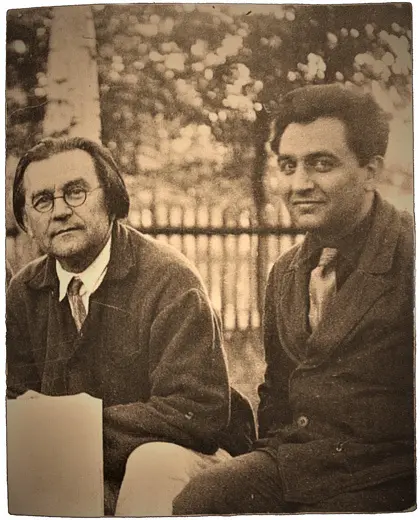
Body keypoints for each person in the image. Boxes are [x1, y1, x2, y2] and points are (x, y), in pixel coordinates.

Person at [173, 84, 415, 514]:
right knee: (201, 498)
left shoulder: (409, 257)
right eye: (288, 166)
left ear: (371, 171)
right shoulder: (285, 273)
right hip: (298, 464)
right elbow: (277, 392)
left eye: (322, 164)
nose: (300, 184)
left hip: (392, 475)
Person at [6, 136, 254, 516]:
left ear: (112, 199)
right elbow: (17, 403)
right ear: (25, 221)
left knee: (151, 465)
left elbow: (197, 410)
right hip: (81, 464)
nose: (60, 212)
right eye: (42, 201)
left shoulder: (169, 279)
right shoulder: (24, 291)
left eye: (75, 193)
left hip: (187, 460)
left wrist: (74, 428)